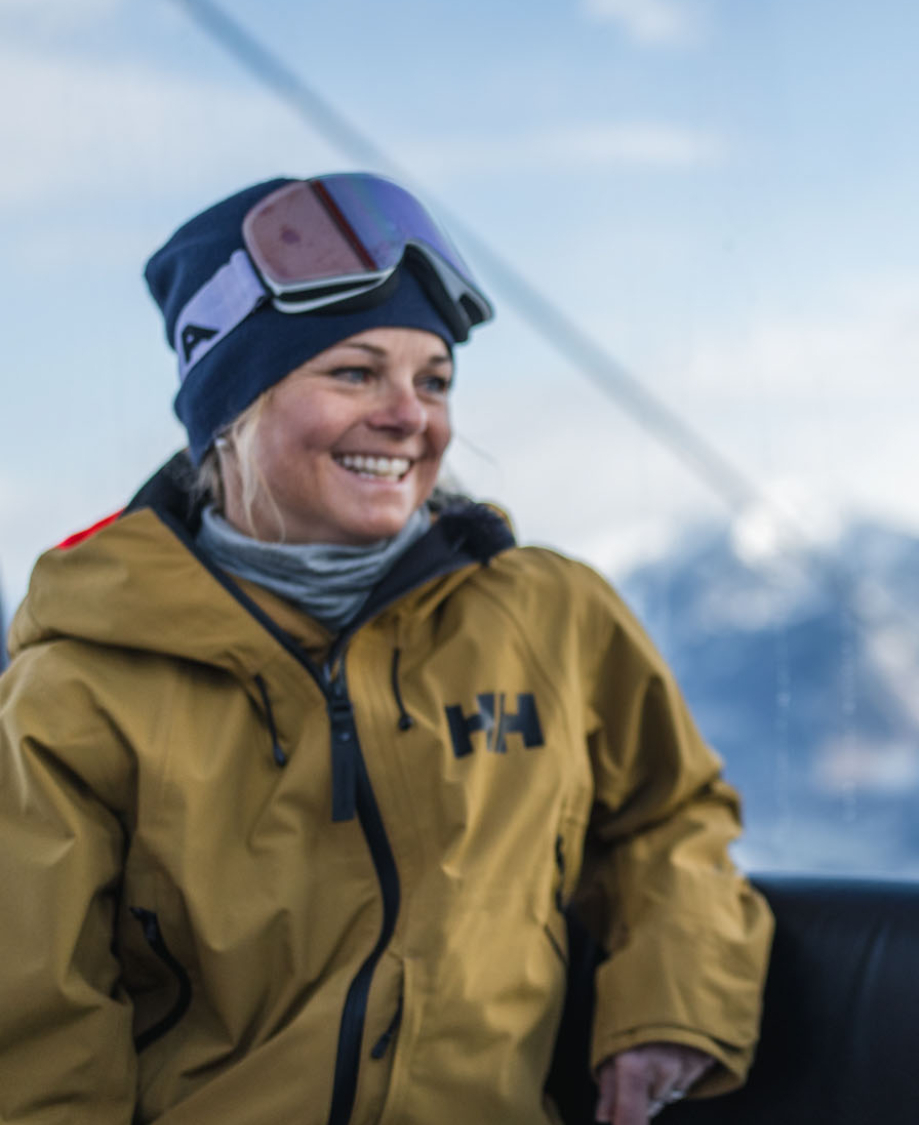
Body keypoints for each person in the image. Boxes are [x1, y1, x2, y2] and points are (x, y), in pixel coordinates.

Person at [0, 175, 773, 1125]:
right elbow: (32, 1026)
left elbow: (673, 817)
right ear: (232, 411)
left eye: (433, 379)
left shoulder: (549, 616)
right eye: (356, 372)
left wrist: (671, 1003)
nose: (411, 415)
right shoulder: (85, 681)